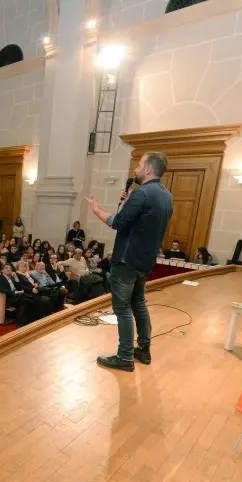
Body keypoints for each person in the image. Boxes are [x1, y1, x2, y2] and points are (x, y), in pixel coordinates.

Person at [85, 151, 173, 371]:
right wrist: (129, 202)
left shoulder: (142, 194)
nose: (135, 168)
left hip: (127, 260)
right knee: (139, 305)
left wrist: (96, 210)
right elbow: (144, 224)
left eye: (139, 164)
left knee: (122, 308)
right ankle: (143, 350)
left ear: (149, 169)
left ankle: (124, 357)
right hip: (145, 261)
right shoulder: (166, 195)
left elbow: (118, 223)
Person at [0, 263, 30, 328]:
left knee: (27, 300)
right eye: (6, 268)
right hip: (8, 298)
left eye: (10, 268)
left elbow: (20, 287)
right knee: (25, 300)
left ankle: (26, 321)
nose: (8, 269)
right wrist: (14, 292)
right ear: (2, 270)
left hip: (18, 296)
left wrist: (16, 277)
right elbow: (0, 289)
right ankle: (21, 324)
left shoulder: (12, 277)